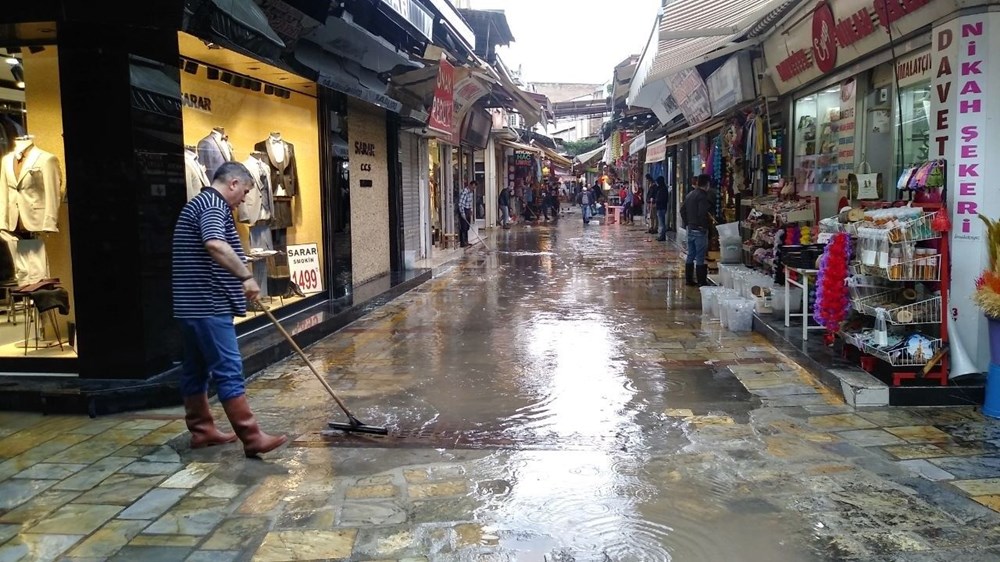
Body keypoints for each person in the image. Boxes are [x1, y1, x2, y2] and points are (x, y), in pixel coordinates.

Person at [172, 162, 287, 457]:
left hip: (192, 305)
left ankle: (202, 430)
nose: (244, 199)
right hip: (206, 304)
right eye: (246, 191)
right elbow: (215, 243)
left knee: (196, 369)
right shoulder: (213, 204)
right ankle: (251, 436)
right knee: (228, 367)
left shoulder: (199, 202)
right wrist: (246, 277)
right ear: (233, 183)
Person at [680, 174, 714, 287]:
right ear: (707, 184)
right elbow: (702, 213)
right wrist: (704, 227)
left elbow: (682, 210)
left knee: (691, 254)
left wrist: (688, 223)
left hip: (690, 229)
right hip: (699, 230)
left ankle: (689, 280)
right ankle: (701, 281)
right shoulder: (703, 196)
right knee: (700, 256)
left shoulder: (690, 195)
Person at [458, 180, 475, 247]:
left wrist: (471, 210)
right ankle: (462, 242)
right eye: (472, 187)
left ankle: (466, 241)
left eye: (474, 188)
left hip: (468, 210)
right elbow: (460, 204)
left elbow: (470, 202)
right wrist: (462, 213)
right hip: (463, 209)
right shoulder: (464, 192)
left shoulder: (471, 193)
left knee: (467, 226)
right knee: (463, 227)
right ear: (469, 185)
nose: (473, 189)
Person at [655, 176, 670, 241]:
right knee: (661, 222)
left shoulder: (663, 189)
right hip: (660, 207)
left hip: (661, 207)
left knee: (661, 223)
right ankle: (661, 235)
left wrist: (657, 201)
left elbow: (662, 199)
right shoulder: (660, 188)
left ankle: (662, 236)